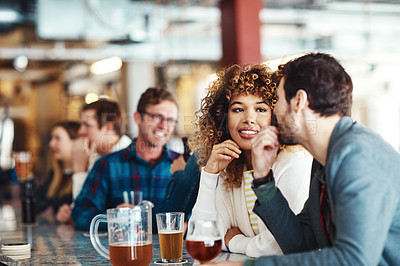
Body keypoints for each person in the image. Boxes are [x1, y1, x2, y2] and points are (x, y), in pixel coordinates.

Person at [206, 52, 400, 266]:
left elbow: (353, 260)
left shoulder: (359, 157)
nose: (274, 113)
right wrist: (263, 179)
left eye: (277, 100)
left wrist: (247, 265)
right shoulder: (327, 158)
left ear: (298, 101)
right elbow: (299, 243)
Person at [189, 64, 312, 257]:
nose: (249, 119)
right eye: (238, 109)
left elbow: (283, 246)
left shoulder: (293, 160)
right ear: (223, 117)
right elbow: (201, 242)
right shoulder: (229, 167)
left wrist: (235, 241)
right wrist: (210, 174)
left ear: (275, 117)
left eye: (261, 109)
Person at [71, 87, 182, 230]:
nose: (164, 126)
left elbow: (197, 217)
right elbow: (81, 215)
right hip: (124, 251)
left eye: (171, 120)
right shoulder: (107, 165)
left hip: (172, 252)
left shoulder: (184, 167)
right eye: (156, 117)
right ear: (137, 118)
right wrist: (117, 219)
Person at [57, 98, 132, 223]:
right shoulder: (97, 157)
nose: (80, 131)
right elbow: (82, 209)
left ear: (108, 127)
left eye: (87, 125)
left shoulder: (127, 159)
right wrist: (69, 211)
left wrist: (79, 168)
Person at [35, 121, 80, 222]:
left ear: (75, 141)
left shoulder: (87, 172)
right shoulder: (55, 173)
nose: (51, 144)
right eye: (52, 138)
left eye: (57, 138)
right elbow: (36, 205)